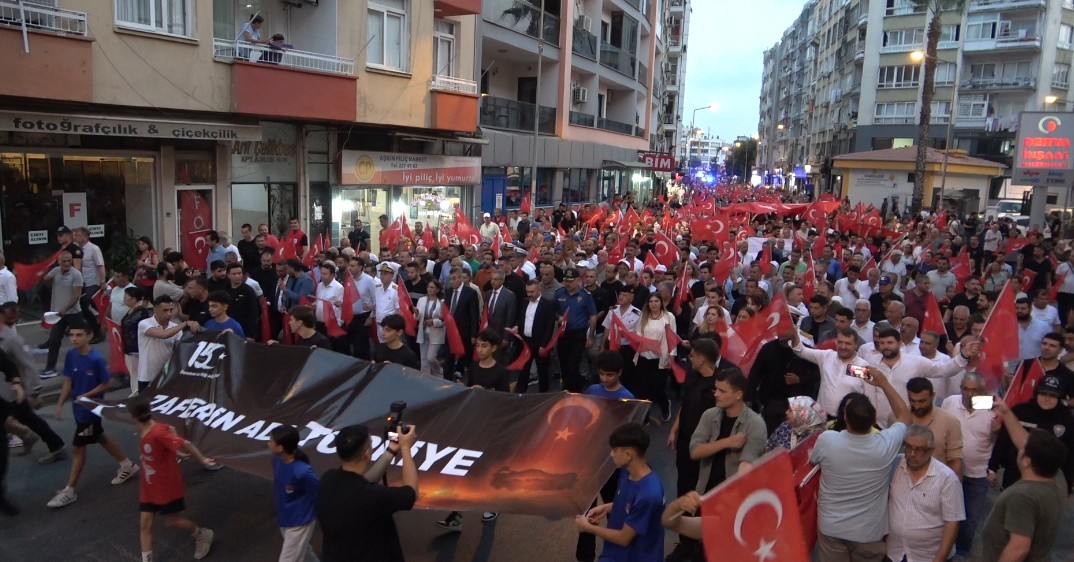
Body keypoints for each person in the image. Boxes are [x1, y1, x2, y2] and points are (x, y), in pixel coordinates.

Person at [809, 366, 911, 562]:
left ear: (845, 417)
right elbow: (906, 417)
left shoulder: (828, 440)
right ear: (874, 420)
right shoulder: (886, 443)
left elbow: (813, 460)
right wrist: (883, 382)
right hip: (869, 534)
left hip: (832, 529)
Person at [47, 322, 139, 508]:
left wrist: (86, 395)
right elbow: (67, 380)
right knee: (99, 436)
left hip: (90, 411)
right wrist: (59, 404)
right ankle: (127, 464)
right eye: (72, 335)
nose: (74, 338)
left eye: (79, 334)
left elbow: (107, 383)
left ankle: (70, 490)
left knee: (78, 448)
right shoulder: (71, 355)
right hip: (78, 409)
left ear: (89, 336)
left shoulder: (96, 359)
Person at [126, 396, 219, 562]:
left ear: (132, 416)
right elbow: (172, 429)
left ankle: (202, 534)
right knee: (144, 525)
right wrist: (174, 451)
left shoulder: (157, 432)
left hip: (166, 485)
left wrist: (202, 460)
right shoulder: (145, 429)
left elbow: (187, 443)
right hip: (148, 486)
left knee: (172, 522)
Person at [437, 329, 510, 531]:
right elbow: (470, 392)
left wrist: (485, 393)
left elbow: (505, 401)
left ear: (493, 348)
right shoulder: (474, 366)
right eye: (478, 345)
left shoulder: (502, 372)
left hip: (491, 425)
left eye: (484, 346)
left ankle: (490, 504)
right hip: (473, 422)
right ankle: (457, 514)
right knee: (466, 467)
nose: (480, 349)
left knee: (486, 468)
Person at [316, 423, 418, 562]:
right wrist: (406, 448)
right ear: (367, 453)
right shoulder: (373, 497)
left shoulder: (328, 479)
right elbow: (411, 493)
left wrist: (391, 450)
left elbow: (364, 481)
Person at [980, 401, 1068, 562]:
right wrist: (1007, 413)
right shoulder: (1057, 478)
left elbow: (1019, 549)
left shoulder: (1023, 496)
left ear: (1026, 461)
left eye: (1022, 450)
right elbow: (1024, 441)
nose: (1019, 448)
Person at [574, 423, 665, 562]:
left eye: (614, 450)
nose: (611, 454)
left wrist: (587, 528)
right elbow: (630, 504)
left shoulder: (649, 494)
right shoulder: (626, 472)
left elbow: (624, 538)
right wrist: (609, 507)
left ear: (628, 454)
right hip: (615, 552)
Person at [940, 373, 998, 559]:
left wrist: (993, 469)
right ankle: (945, 549)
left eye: (974, 390)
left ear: (982, 391)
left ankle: (962, 553)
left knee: (970, 519)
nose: (969, 393)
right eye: (965, 388)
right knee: (945, 514)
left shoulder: (992, 408)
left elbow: (998, 443)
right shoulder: (950, 402)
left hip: (977, 473)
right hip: (949, 470)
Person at [885, 425, 965, 562]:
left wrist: (940, 559)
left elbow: (952, 523)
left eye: (919, 449)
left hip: (928, 557)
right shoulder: (895, 465)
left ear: (931, 450)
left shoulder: (947, 479)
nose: (912, 454)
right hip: (895, 553)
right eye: (908, 447)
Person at [989, 375, 1074, 495]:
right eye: (1043, 393)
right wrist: (992, 468)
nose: (1047, 398)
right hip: (1015, 475)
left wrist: (1068, 485)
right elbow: (1003, 440)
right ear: (1037, 393)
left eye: (1052, 395)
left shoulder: (1066, 419)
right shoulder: (1020, 411)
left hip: (1049, 481)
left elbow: (1070, 454)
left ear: (1059, 397)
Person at [689, 367, 767, 495]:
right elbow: (694, 451)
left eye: (722, 391)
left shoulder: (755, 424)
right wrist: (727, 442)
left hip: (734, 499)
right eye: (716, 389)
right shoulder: (709, 415)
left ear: (738, 395)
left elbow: (747, 464)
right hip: (705, 493)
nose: (716, 394)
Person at [268, 425, 319, 562]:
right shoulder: (276, 460)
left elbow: (318, 494)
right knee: (304, 552)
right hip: (285, 519)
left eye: (271, 441)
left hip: (300, 522)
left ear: (280, 448)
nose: (268, 443)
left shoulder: (303, 472)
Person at [905, 377, 963, 475]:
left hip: (938, 483)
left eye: (922, 401)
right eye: (912, 400)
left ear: (933, 396)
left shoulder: (950, 422)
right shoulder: (897, 417)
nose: (917, 406)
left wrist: (954, 486)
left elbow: (955, 461)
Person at [41, 250, 84, 379]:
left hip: (73, 313)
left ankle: (83, 365)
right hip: (57, 314)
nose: (66, 263)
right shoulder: (55, 271)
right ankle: (50, 368)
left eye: (69, 261)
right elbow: (45, 280)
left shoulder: (76, 275)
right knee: (54, 340)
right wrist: (42, 271)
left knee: (78, 340)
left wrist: (65, 309)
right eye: (63, 261)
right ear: (58, 261)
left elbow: (76, 295)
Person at [556, 268, 598, 393]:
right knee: (563, 362)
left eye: (571, 281)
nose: (568, 284)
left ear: (578, 280)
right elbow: (553, 310)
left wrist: (590, 336)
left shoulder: (585, 296)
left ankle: (575, 390)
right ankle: (566, 388)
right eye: (565, 281)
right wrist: (559, 317)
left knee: (573, 364)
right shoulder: (559, 293)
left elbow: (593, 316)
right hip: (563, 333)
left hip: (578, 334)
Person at [634, 293, 676, 420]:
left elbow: (672, 337)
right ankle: (644, 416)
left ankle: (665, 405)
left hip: (659, 358)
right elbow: (638, 332)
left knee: (657, 388)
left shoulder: (669, 317)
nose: (653, 304)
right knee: (643, 389)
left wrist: (672, 356)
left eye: (656, 301)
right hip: (643, 356)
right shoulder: (644, 316)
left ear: (661, 303)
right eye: (651, 301)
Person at [137, 296, 189, 394]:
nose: (169, 313)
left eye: (171, 310)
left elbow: (180, 349)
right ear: (155, 310)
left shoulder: (175, 328)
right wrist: (185, 323)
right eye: (165, 310)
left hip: (167, 376)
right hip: (147, 376)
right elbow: (163, 335)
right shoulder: (144, 324)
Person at [516, 279, 557, 392]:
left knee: (542, 370)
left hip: (540, 342)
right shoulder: (524, 302)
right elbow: (521, 319)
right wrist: (517, 327)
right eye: (528, 292)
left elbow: (549, 327)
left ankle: (543, 395)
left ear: (539, 290)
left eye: (532, 292)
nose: (529, 294)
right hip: (526, 342)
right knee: (524, 369)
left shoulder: (547, 305)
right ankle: (520, 393)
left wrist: (544, 345)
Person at [120, 287, 152, 395]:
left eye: (126, 297)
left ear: (134, 299)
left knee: (137, 374)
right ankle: (135, 393)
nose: (124, 299)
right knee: (133, 373)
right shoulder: (131, 310)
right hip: (129, 347)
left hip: (136, 348)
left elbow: (129, 323)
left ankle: (137, 394)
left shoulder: (141, 311)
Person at [414, 279, 446, 378]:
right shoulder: (422, 300)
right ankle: (425, 378)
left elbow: (444, 320)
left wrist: (433, 322)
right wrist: (416, 314)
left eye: (432, 287)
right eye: (428, 287)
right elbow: (416, 318)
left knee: (431, 357)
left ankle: (439, 373)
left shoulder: (442, 302)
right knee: (424, 359)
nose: (429, 289)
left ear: (437, 290)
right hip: (423, 331)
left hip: (436, 332)